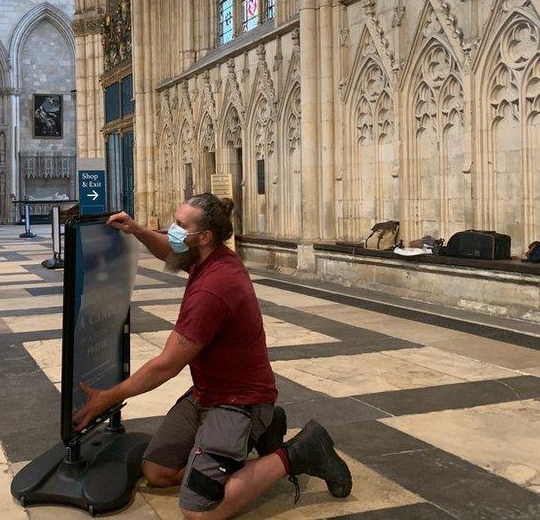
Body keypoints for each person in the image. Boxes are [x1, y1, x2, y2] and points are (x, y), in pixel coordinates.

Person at [73, 193, 352, 519]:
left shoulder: (214, 288)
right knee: (157, 471)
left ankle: (301, 452)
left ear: (203, 236)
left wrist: (108, 397)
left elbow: (166, 366)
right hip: (208, 393)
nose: (171, 230)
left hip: (239, 400)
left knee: (199, 511)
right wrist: (136, 230)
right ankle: (254, 437)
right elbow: (171, 251)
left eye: (179, 225)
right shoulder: (211, 256)